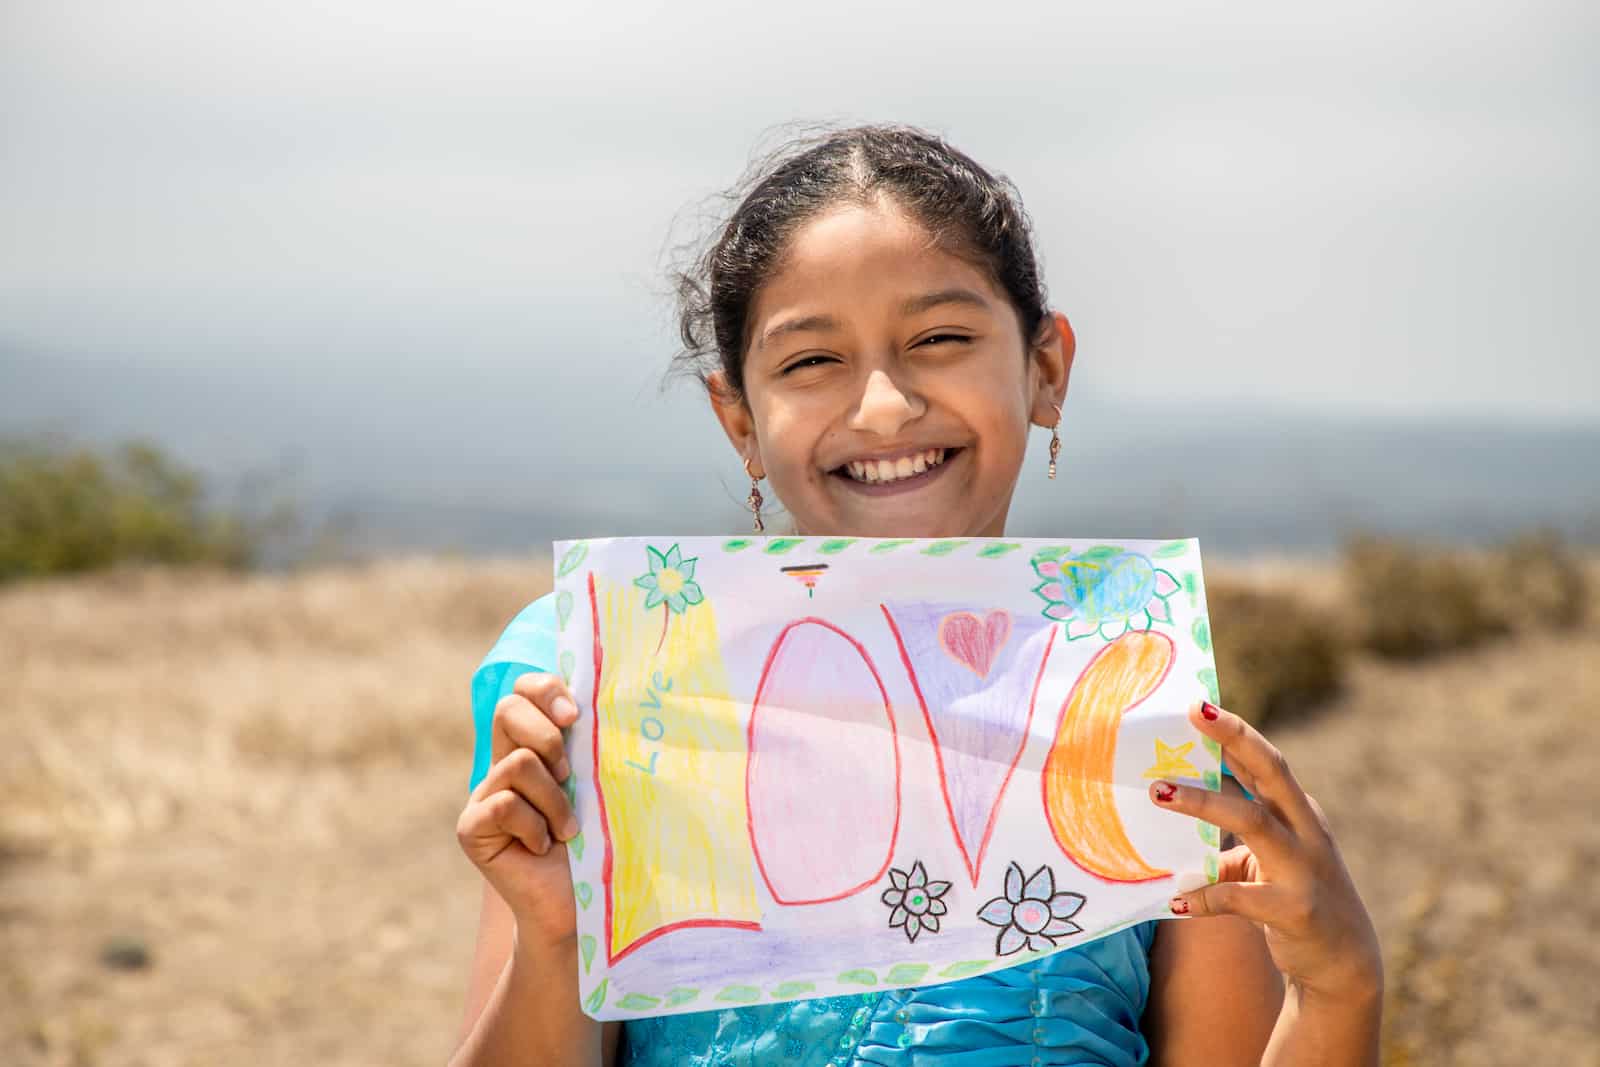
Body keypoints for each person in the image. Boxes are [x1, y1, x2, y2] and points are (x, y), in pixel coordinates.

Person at [449, 123, 1382, 1066]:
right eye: (812, 360)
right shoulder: (605, 693)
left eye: (940, 338)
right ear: (738, 416)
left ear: (1045, 369)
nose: (885, 405)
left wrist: (1339, 982)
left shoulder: (1149, 713)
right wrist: (559, 939)